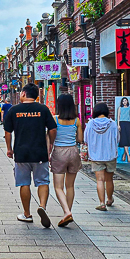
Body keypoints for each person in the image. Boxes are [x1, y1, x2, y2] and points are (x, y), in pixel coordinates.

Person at [4, 83, 57, 227]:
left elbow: (8, 132)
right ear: (37, 96)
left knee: (24, 183)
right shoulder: (43, 109)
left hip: (21, 153)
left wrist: (9, 149)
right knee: (43, 181)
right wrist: (51, 144)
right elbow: (52, 129)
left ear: (23, 94)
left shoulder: (14, 110)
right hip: (40, 152)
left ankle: (27, 214)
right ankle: (42, 206)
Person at [49, 93, 83, 227]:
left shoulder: (55, 119)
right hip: (73, 152)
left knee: (58, 186)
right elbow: (80, 139)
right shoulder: (77, 121)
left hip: (59, 152)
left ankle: (66, 212)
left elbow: (51, 138)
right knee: (70, 186)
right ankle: (68, 213)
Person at [84, 102, 118, 211]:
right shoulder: (112, 123)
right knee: (109, 179)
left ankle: (102, 203)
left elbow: (85, 139)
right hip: (110, 155)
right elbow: (117, 139)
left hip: (96, 155)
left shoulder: (90, 124)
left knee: (100, 180)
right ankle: (109, 199)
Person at [118, 96, 130, 163]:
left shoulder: (129, 108)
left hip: (128, 123)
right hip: (122, 123)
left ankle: (124, 154)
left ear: (127, 101)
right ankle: (128, 155)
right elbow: (118, 117)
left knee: (127, 138)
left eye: (125, 101)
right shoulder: (120, 108)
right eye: (123, 101)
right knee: (124, 138)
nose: (124, 102)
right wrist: (118, 125)